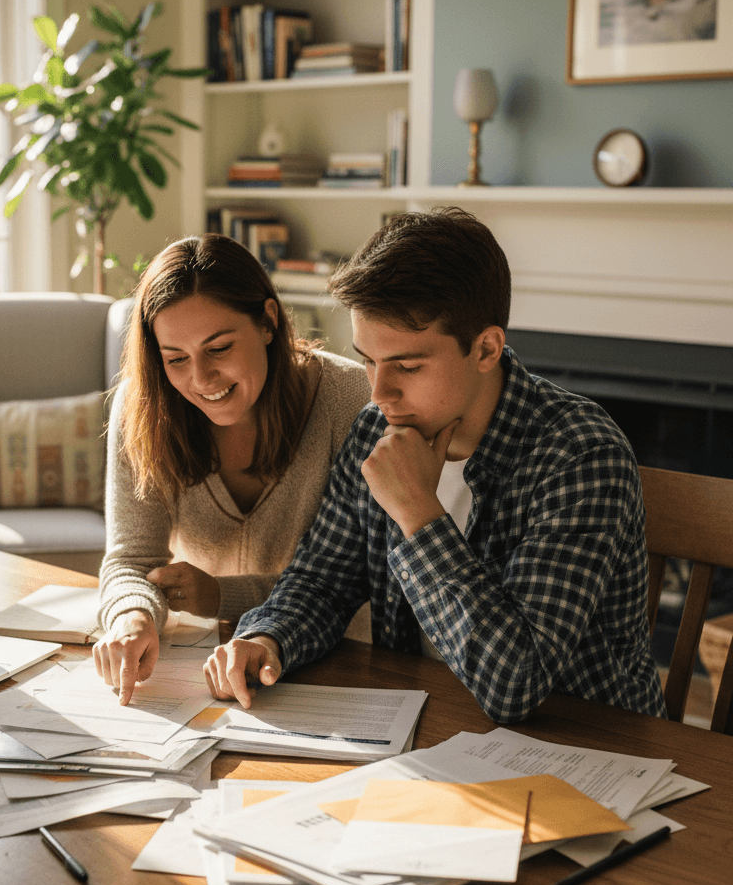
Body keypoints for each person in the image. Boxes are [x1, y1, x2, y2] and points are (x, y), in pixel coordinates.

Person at [206, 207, 667, 724]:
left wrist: (418, 513)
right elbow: (322, 580)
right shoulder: (375, 431)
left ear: (486, 348)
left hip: (586, 742)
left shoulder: (580, 455)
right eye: (368, 360)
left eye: (407, 365)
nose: (379, 393)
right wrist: (266, 638)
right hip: (431, 722)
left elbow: (517, 684)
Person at [94, 233, 372, 705]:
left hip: (338, 664)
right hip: (201, 670)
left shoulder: (350, 398)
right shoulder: (142, 408)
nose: (200, 379)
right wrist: (132, 617)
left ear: (267, 322)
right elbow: (131, 561)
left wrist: (223, 595)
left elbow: (350, 579)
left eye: (219, 348)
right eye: (175, 359)